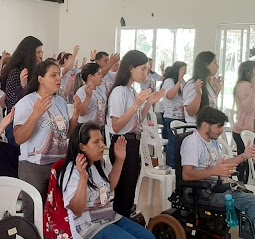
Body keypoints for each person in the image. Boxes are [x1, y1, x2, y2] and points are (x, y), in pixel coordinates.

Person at [180, 106, 255, 239]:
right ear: (205, 125)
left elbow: (222, 165)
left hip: (217, 188)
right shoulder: (192, 142)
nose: (221, 130)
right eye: (218, 126)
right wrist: (214, 171)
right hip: (201, 193)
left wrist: (243, 156)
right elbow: (186, 174)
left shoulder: (212, 142)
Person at [59, 123, 154, 239]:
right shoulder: (72, 171)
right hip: (89, 227)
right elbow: (77, 210)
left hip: (108, 217)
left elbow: (109, 187)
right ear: (82, 147)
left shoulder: (98, 164)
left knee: (148, 237)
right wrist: (83, 179)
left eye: (102, 140)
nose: (102, 145)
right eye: (96, 142)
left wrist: (120, 160)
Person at [13, 59, 80, 222]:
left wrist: (76, 116)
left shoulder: (61, 102)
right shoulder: (27, 103)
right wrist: (36, 114)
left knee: (56, 214)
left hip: (58, 165)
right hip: (34, 167)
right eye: (54, 75)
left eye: (59, 75)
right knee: (34, 216)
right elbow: (19, 138)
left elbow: (65, 135)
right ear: (40, 79)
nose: (59, 79)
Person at [107, 50, 164, 218]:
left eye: (147, 70)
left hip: (133, 142)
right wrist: (136, 105)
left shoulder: (130, 91)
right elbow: (117, 126)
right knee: (124, 192)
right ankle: (120, 226)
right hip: (122, 143)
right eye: (143, 69)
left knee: (130, 189)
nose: (145, 73)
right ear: (131, 68)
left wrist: (148, 104)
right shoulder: (119, 91)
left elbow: (137, 120)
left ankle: (125, 223)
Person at [0, 36, 43, 146]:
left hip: (29, 120)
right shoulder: (15, 72)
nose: (41, 55)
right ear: (29, 53)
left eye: (41, 52)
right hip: (16, 122)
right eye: (38, 52)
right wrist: (23, 87)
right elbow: (11, 100)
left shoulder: (32, 70)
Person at [231, 61, 255, 177]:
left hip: (249, 127)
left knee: (249, 160)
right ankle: (241, 183)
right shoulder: (245, 85)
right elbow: (248, 107)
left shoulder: (250, 85)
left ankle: (246, 182)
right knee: (244, 161)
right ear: (249, 72)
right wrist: (253, 89)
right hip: (242, 129)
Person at [183, 51, 221, 126]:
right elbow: (190, 112)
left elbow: (210, 103)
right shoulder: (194, 84)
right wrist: (198, 94)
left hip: (207, 128)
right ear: (206, 65)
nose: (217, 66)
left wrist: (217, 89)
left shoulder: (207, 83)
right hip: (196, 129)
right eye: (215, 63)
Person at [160, 61, 187, 168]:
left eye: (185, 70)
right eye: (182, 70)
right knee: (172, 141)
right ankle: (171, 165)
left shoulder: (183, 81)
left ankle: (178, 165)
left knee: (180, 142)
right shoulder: (169, 81)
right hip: (171, 116)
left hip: (181, 116)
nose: (184, 72)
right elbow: (170, 95)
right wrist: (179, 82)